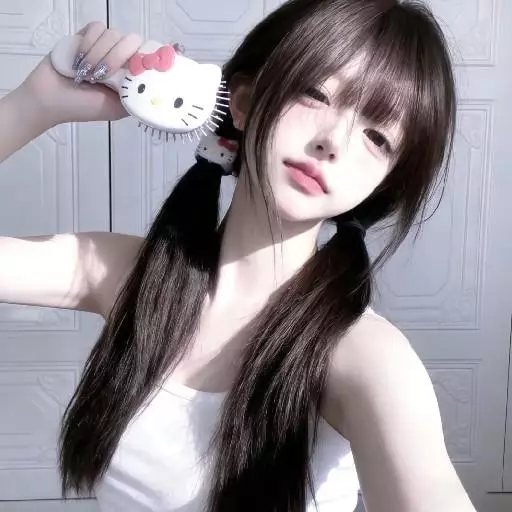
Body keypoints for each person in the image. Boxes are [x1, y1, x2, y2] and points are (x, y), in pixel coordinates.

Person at [0, 0, 478, 511]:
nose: (334, 142)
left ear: (384, 181)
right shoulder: (119, 273)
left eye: (377, 137)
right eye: (317, 94)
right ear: (245, 102)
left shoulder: (365, 356)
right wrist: (35, 104)